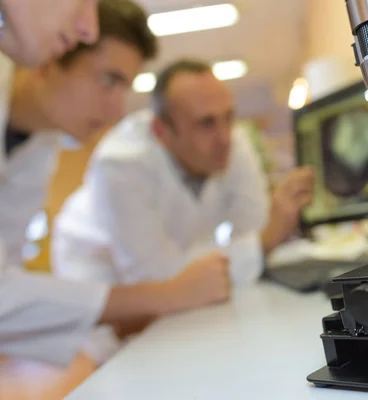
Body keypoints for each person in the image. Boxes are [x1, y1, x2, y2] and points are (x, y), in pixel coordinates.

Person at [0, 0, 230, 367]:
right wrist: (167, 295)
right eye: (109, 81)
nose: (116, 111)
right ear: (51, 55)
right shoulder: (116, 162)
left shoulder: (38, 145)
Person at [52, 59, 315, 361]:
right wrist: (262, 242)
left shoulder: (231, 140)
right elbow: (156, 280)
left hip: (175, 254)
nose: (224, 137)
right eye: (205, 123)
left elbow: (251, 235)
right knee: (122, 360)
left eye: (228, 117)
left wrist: (257, 243)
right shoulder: (120, 164)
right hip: (98, 262)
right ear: (161, 131)